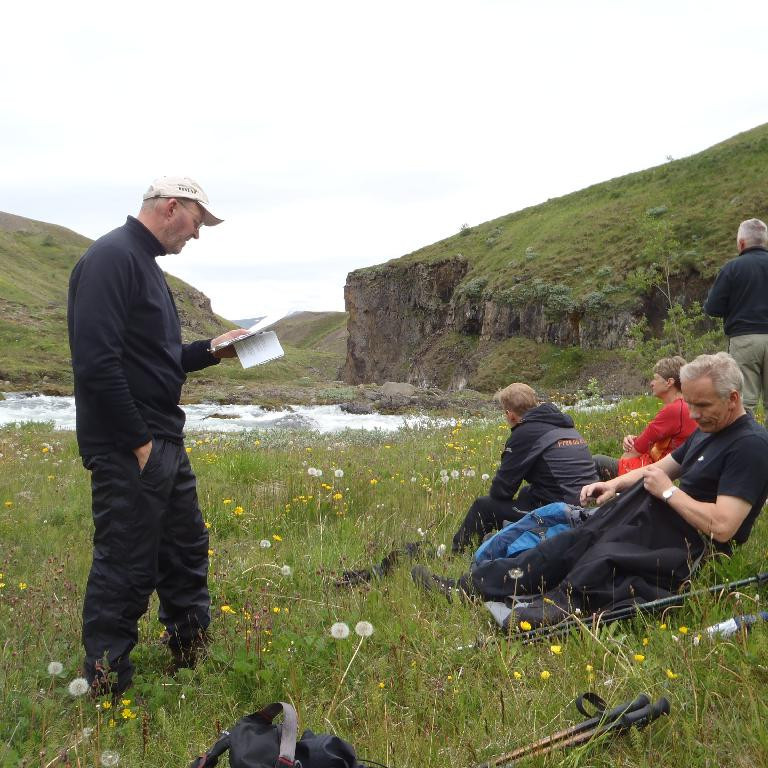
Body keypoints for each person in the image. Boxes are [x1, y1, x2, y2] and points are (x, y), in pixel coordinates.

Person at [417, 354, 768, 623]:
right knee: (566, 542)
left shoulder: (749, 446)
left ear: (733, 398)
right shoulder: (709, 432)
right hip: (652, 520)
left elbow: (724, 526)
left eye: (702, 405)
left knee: (598, 557)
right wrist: (610, 484)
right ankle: (469, 587)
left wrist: (668, 492)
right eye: (690, 404)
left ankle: (551, 606)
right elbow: (660, 469)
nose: (693, 414)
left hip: (683, 545)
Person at [67, 176, 248, 696]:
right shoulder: (111, 258)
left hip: (162, 440)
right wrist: (139, 442)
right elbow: (96, 363)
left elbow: (158, 360)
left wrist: (211, 350)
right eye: (197, 221)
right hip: (131, 446)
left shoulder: (144, 264)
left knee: (185, 549)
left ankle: (189, 655)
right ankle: (106, 685)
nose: (197, 234)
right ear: (171, 207)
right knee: (124, 563)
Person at [451, 383, 597, 552]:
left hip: (562, 513)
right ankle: (511, 537)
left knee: (483, 507)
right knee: (527, 493)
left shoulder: (524, 433)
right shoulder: (563, 424)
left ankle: (459, 553)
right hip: (587, 507)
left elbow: (501, 491)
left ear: (510, 415)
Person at [592, 356, 697, 479]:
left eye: (655, 378)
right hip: (665, 468)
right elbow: (651, 442)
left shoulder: (674, 410)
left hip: (654, 473)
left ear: (669, 382)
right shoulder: (685, 405)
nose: (651, 383)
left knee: (595, 462)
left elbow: (636, 450)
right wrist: (632, 439)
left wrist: (620, 480)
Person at [705, 218, 768, 420]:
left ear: (741, 243)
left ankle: (747, 440)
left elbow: (713, 308)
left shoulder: (732, 268)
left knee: (743, 403)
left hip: (744, 340)